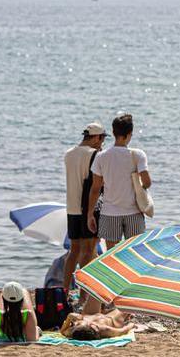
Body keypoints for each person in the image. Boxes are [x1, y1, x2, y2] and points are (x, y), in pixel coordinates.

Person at [87, 113, 151, 247]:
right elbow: (147, 182)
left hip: (109, 213)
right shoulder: (138, 155)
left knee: (111, 255)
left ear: (113, 132)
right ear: (129, 134)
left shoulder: (101, 156)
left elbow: (95, 189)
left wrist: (90, 214)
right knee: (134, 253)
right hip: (134, 212)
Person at [64, 122, 107, 291]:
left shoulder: (69, 153)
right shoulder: (95, 154)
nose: (102, 142)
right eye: (102, 138)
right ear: (96, 137)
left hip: (71, 207)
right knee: (89, 250)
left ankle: (65, 289)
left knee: (73, 250)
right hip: (88, 206)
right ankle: (85, 291)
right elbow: (97, 183)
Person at [60, 295, 137, 340]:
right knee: (128, 302)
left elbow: (62, 331)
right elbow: (122, 331)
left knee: (96, 291)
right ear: (91, 326)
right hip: (111, 319)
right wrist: (131, 325)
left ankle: (105, 308)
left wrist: (69, 317)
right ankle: (108, 310)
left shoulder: (73, 332)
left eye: (75, 325)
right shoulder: (103, 329)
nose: (75, 323)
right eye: (78, 324)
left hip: (90, 314)